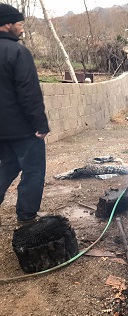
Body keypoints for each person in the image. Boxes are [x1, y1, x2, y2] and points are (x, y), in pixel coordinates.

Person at [0, 4, 50, 224]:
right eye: (19, 24)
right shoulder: (18, 52)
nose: (22, 29)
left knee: (9, 166)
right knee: (33, 171)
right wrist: (41, 125)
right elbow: (29, 93)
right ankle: (26, 216)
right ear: (7, 24)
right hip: (22, 129)